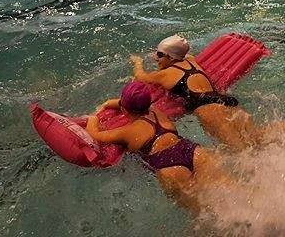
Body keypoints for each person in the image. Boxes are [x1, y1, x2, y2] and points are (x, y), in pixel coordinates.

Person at [131, 35, 285, 149]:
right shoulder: (191, 61)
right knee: (255, 137)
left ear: (171, 57)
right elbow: (184, 54)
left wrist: (137, 62)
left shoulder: (165, 75)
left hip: (209, 111)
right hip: (223, 100)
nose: (156, 59)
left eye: (159, 55)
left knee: (240, 150)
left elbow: (141, 77)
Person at [86, 81, 230, 211]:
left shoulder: (128, 132)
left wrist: (92, 118)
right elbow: (129, 103)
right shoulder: (155, 111)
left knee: (202, 213)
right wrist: (109, 103)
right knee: (231, 192)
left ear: (124, 109)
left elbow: (95, 135)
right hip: (192, 151)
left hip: (170, 168)